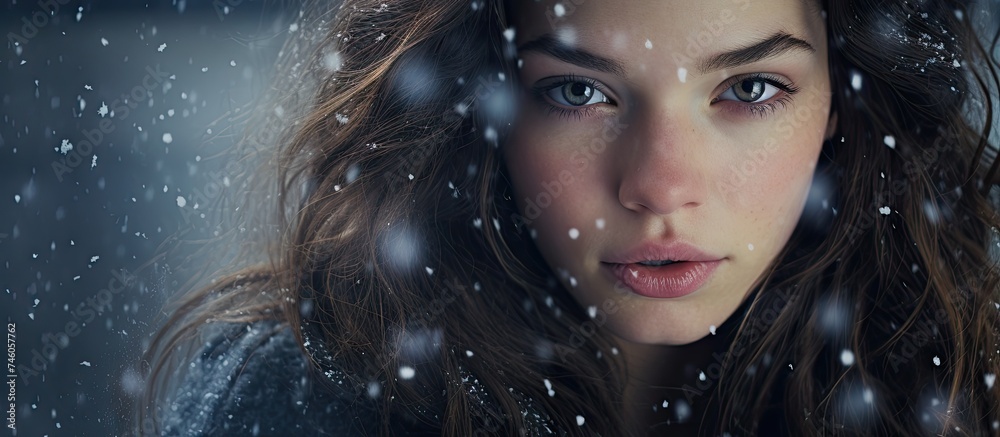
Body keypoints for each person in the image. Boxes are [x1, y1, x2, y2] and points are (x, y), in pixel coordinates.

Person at [138, 0, 1000, 435]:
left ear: (842, 105)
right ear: (484, 103)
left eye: (749, 89)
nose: (660, 188)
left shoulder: (960, 393)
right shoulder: (298, 399)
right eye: (579, 92)